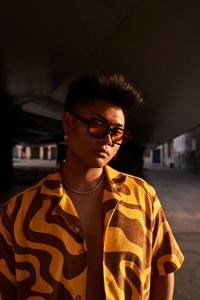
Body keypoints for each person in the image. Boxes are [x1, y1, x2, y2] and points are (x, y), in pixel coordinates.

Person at [0, 73, 184, 300]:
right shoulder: (19, 211)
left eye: (117, 132)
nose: (108, 139)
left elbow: (164, 268)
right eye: (97, 125)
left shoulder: (143, 196)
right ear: (67, 122)